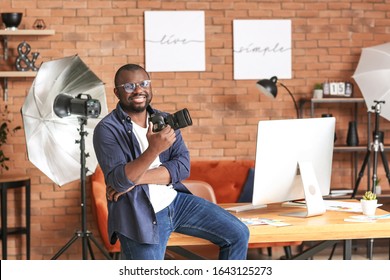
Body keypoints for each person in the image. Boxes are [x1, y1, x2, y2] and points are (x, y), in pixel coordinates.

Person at [93, 64, 249, 260]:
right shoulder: (107, 129)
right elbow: (118, 182)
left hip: (176, 202)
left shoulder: (165, 120)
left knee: (238, 233)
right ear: (117, 92)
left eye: (143, 83)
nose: (139, 90)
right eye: (130, 86)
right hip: (137, 214)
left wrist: (135, 180)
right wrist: (153, 150)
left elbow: (182, 167)